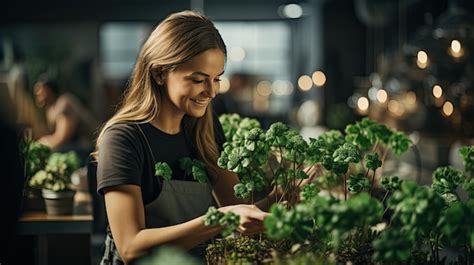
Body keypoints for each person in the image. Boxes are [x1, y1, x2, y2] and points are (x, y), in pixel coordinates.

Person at [94, 11, 275, 264]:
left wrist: (279, 199)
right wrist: (221, 220)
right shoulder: (123, 139)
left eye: (216, 79)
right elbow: (131, 248)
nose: (212, 91)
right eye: (198, 79)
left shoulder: (204, 130)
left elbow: (237, 208)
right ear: (159, 74)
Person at [34, 74, 98, 153]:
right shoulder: (50, 109)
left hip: (88, 147)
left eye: (41, 90)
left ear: (49, 90)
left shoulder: (63, 103)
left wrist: (42, 144)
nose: (38, 93)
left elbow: (62, 137)